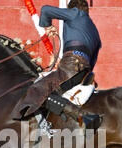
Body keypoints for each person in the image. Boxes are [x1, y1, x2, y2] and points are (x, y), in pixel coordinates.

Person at [11, 0, 102, 130]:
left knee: (39, 90)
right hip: (84, 69)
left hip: (71, 63)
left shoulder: (75, 14)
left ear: (71, 9)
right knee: (55, 93)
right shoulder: (93, 29)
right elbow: (92, 61)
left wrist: (47, 26)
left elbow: (45, 10)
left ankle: (84, 117)